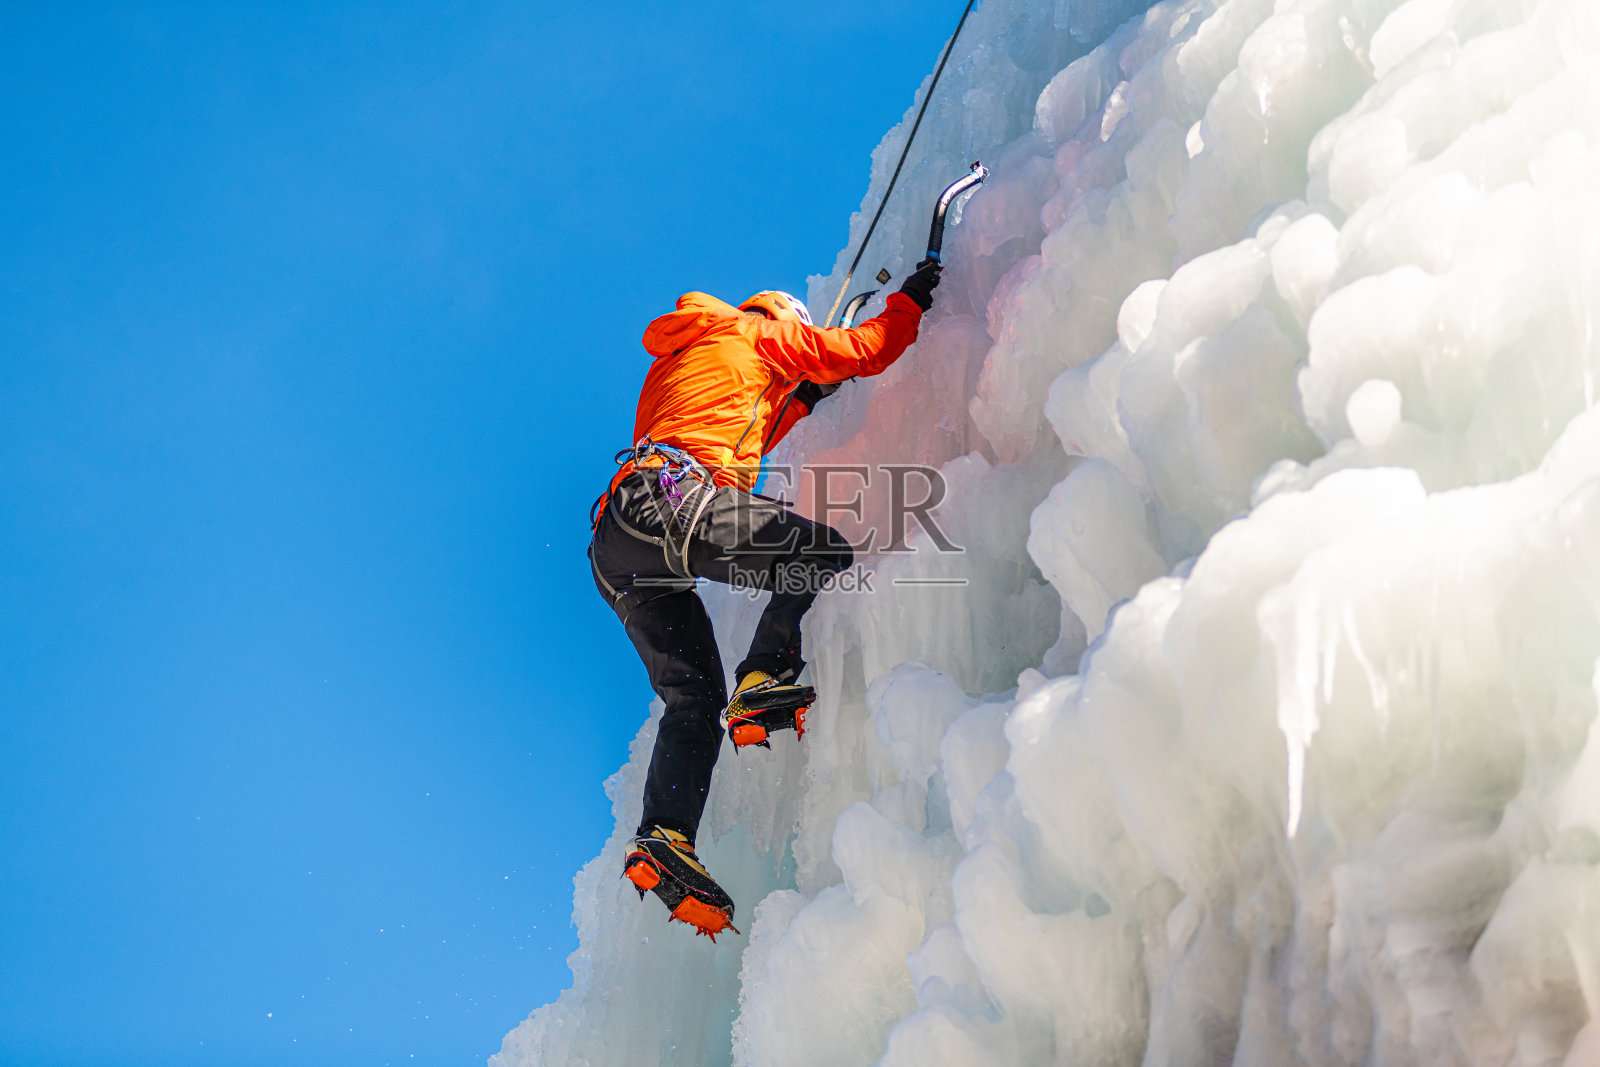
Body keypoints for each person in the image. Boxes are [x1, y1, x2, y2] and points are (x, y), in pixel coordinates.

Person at [586, 259, 943, 938]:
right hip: (673, 499)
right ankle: (764, 678)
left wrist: (805, 398)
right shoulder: (759, 332)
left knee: (692, 699)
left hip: (617, 540)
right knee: (820, 552)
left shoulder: (693, 349)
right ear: (781, 319)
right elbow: (868, 349)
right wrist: (910, 304)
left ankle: (664, 835)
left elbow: (746, 425)